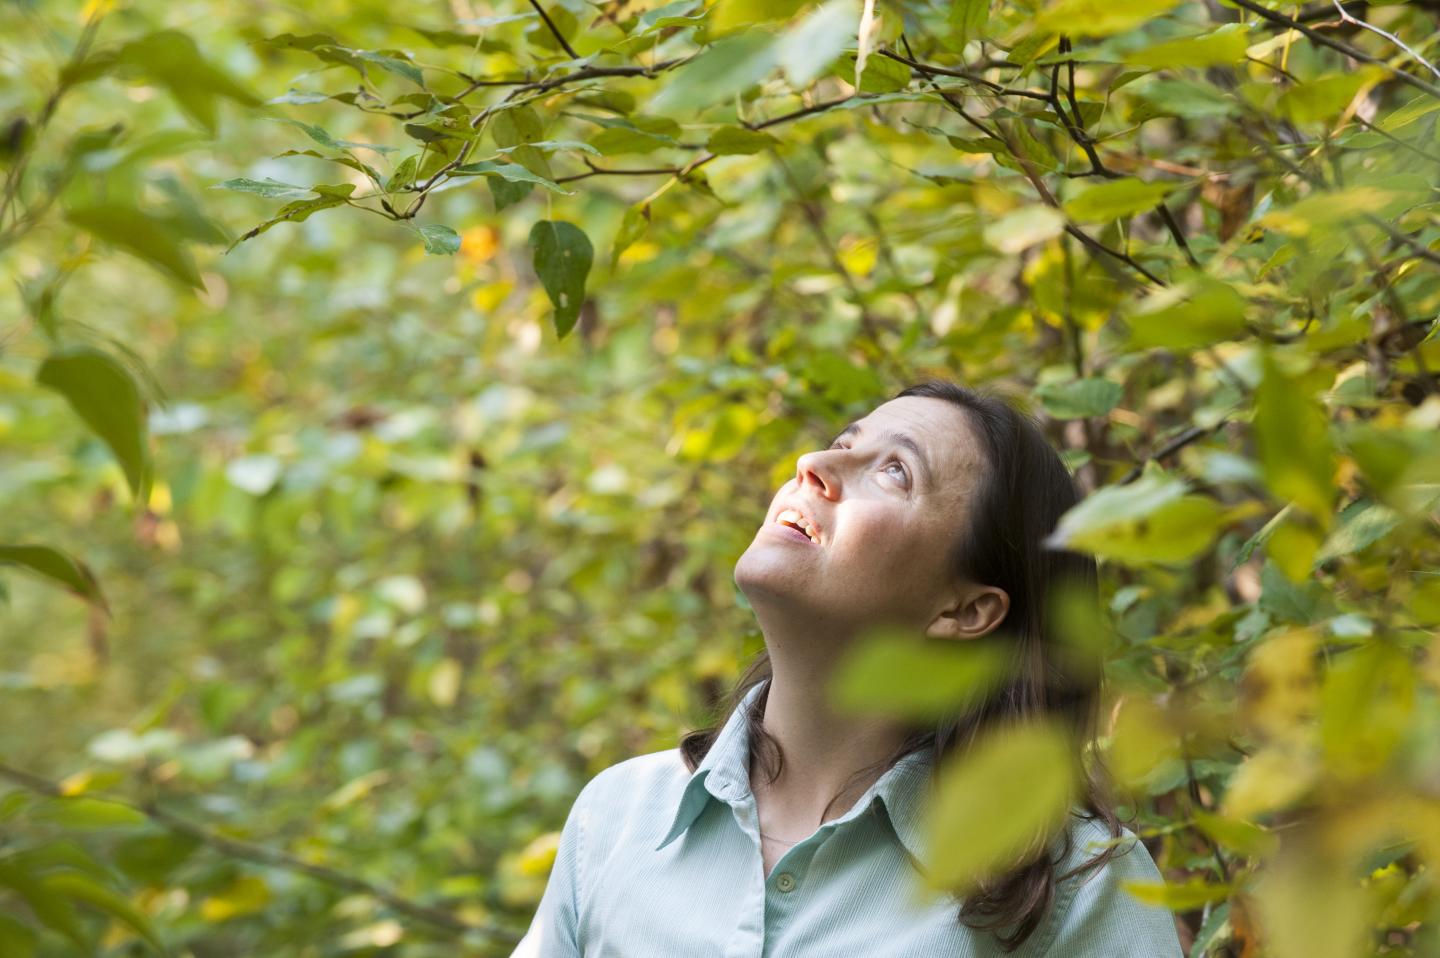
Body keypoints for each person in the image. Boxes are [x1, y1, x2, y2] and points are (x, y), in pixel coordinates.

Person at [511, 380, 1185, 957]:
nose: (812, 464)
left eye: (894, 471)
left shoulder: (1079, 887)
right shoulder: (617, 816)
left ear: (966, 610)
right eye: (842, 442)